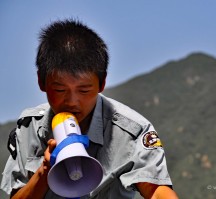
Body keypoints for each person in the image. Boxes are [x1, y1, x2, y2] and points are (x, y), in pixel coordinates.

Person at [0, 19, 178, 199]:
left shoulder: (131, 131)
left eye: (84, 90)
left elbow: (156, 191)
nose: (72, 101)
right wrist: (44, 171)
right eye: (60, 90)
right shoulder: (31, 127)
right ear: (41, 81)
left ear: (102, 83)